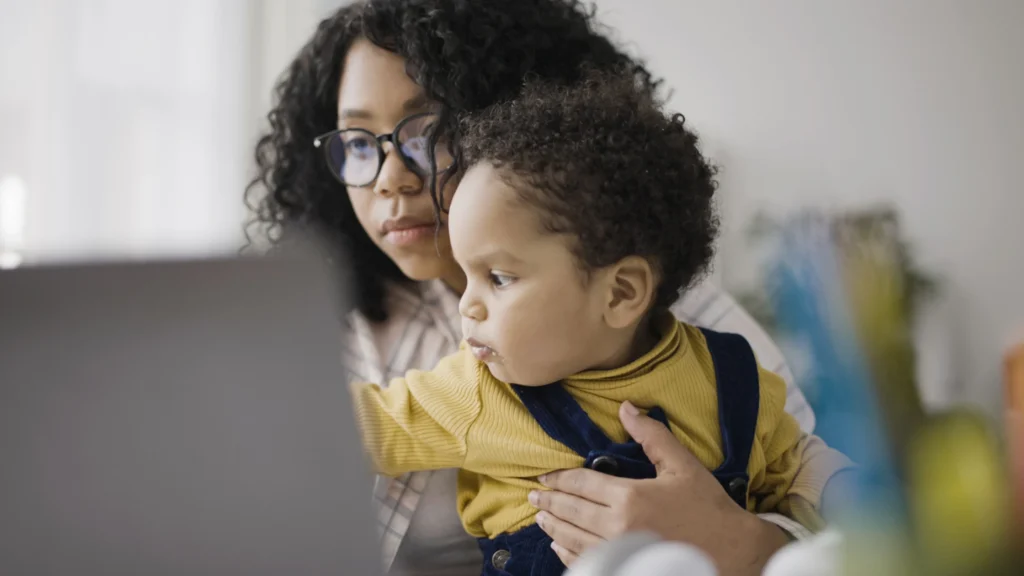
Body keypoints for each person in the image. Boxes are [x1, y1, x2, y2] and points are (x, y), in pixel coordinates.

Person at [246, 1, 850, 574]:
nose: (391, 179)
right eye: (357, 143)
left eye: (426, 133)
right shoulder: (341, 329)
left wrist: (743, 547)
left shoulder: (698, 338)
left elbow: (824, 488)